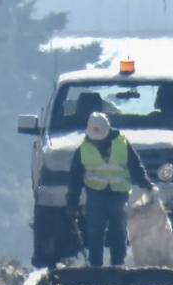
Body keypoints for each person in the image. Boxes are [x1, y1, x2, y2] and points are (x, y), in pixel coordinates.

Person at [66, 112, 156, 267]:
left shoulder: (122, 144)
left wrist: (145, 183)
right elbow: (75, 178)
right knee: (95, 232)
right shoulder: (83, 150)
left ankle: (118, 265)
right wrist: (72, 202)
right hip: (95, 194)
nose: (98, 143)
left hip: (118, 194)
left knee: (118, 230)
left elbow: (135, 166)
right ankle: (96, 267)